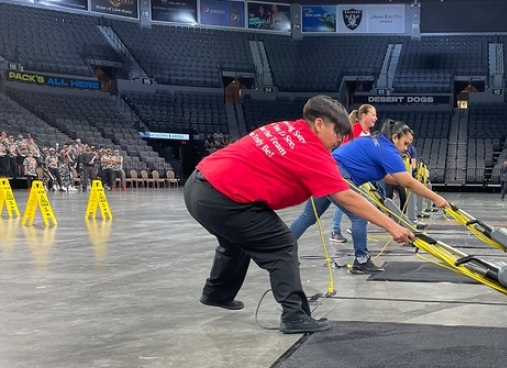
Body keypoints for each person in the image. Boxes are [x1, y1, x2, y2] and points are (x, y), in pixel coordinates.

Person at [184, 96, 414, 334]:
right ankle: (294, 315)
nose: (338, 140)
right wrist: (392, 226)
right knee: (282, 245)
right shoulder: (312, 151)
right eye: (337, 133)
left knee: (234, 241)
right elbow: (347, 197)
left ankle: (216, 293)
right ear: (319, 124)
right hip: (222, 197)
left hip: (197, 186)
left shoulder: (285, 128)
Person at [290, 119, 450, 274]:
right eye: (405, 143)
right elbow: (407, 182)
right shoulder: (387, 149)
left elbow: (390, 177)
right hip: (337, 175)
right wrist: (436, 198)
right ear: (395, 137)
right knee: (359, 217)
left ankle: (282, 249)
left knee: (308, 217)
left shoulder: (377, 142)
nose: (407, 149)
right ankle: (361, 260)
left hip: (325, 171)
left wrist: (404, 181)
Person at [330, 104, 377, 244]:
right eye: (373, 115)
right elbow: (347, 150)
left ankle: (354, 225)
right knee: (344, 200)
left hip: (354, 172)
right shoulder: (355, 130)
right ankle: (336, 230)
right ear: (364, 116)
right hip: (344, 171)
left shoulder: (366, 131)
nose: (376, 118)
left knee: (365, 198)